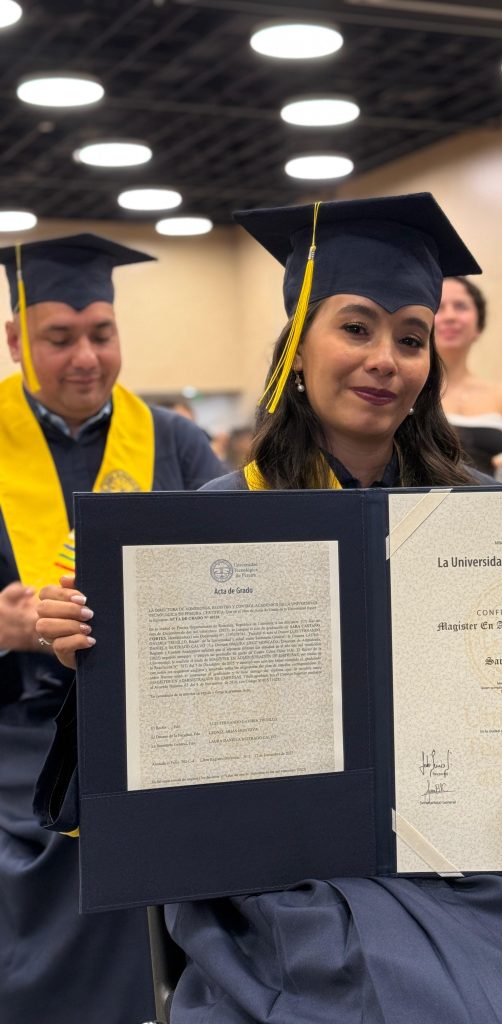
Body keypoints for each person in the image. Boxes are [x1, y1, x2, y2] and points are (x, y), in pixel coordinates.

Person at [37, 196, 502, 1024]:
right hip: (298, 865)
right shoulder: (213, 523)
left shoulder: (484, 517)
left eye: (410, 337)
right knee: (400, 998)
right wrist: (97, 653)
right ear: (298, 346)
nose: (384, 360)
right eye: (356, 328)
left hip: (489, 844)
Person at [0, 233, 224, 1024]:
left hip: (156, 732)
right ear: (16, 339)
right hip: (18, 739)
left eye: (102, 333)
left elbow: (229, 571)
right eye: (59, 338)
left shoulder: (175, 442)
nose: (86, 357)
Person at [435, 275, 502, 476]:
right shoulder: (409, 394)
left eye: (460, 306)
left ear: (479, 326)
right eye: (439, 307)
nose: (450, 316)